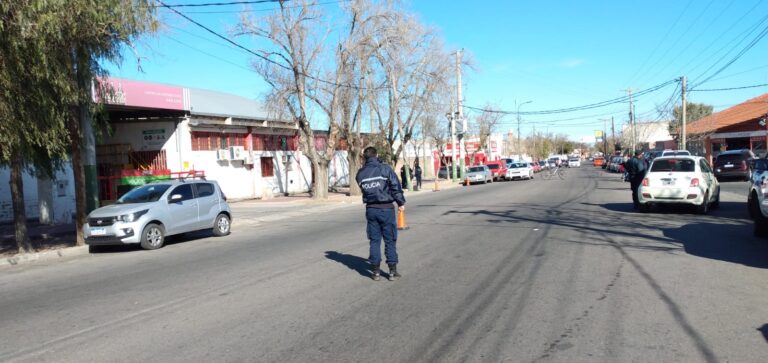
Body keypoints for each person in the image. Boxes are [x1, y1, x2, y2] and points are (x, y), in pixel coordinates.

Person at [356, 147, 406, 281]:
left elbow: (366, 190)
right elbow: (395, 186)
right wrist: (401, 203)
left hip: (371, 209)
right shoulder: (385, 169)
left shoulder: (360, 174)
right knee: (390, 240)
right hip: (386, 209)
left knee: (374, 240)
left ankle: (375, 272)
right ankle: (392, 271)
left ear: (365, 157)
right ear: (376, 155)